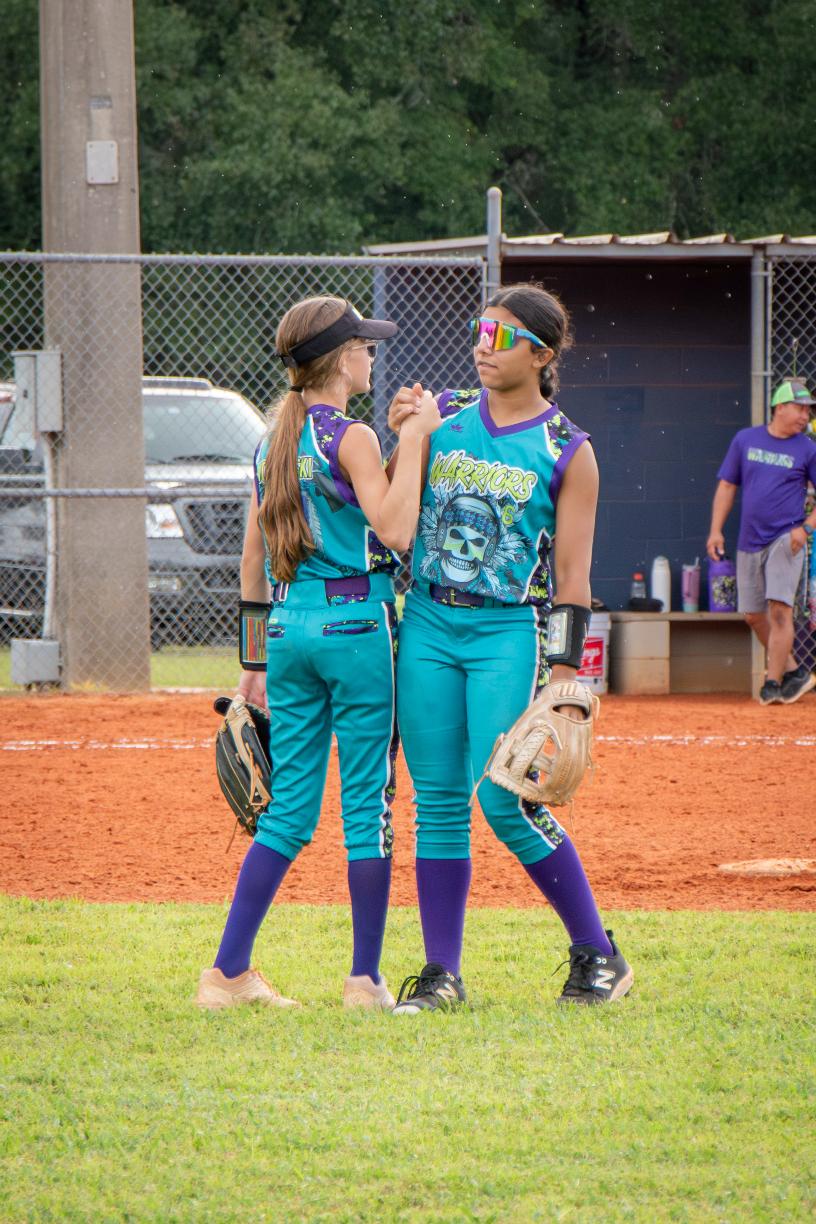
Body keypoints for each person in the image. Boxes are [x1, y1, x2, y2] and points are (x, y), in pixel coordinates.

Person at [385, 283, 634, 1012]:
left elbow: (574, 578)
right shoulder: (445, 414)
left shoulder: (568, 450)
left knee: (505, 797)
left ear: (542, 354)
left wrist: (564, 679)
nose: (481, 347)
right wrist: (406, 434)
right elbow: (395, 508)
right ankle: (442, 974)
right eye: (479, 331)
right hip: (427, 620)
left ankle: (598, 953)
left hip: (506, 631)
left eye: (499, 336)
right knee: (437, 801)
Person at [196, 295, 440, 1010]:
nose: (371, 353)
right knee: (367, 805)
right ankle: (364, 981)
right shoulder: (349, 434)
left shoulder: (274, 438)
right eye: (363, 345)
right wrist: (417, 438)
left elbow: (254, 559)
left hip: (288, 629)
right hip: (357, 626)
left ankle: (227, 975)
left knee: (287, 812)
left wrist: (253, 665)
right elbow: (395, 530)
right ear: (339, 360)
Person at [706, 377, 816, 706]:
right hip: (749, 540)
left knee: (780, 609)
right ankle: (795, 672)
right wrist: (716, 530)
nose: (805, 416)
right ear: (779, 407)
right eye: (799, 409)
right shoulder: (746, 440)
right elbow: (727, 486)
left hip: (787, 537)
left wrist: (805, 529)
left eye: (808, 411)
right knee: (753, 615)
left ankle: (772, 682)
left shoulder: (807, 448)